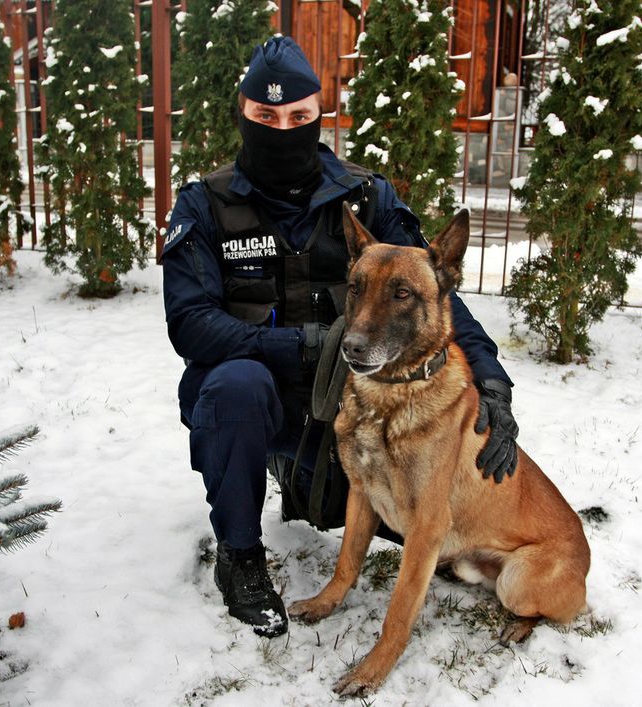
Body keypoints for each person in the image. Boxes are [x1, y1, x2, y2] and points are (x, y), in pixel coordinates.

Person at [162, 36, 519, 638]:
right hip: (259, 406)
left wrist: (491, 380)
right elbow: (189, 323)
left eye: (298, 117)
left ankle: (321, 492)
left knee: (383, 509)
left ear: (318, 117)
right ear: (243, 116)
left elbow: (433, 291)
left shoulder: (365, 196)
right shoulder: (206, 205)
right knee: (233, 388)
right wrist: (299, 345)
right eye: (265, 117)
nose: (283, 129)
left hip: (350, 409)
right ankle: (241, 557)